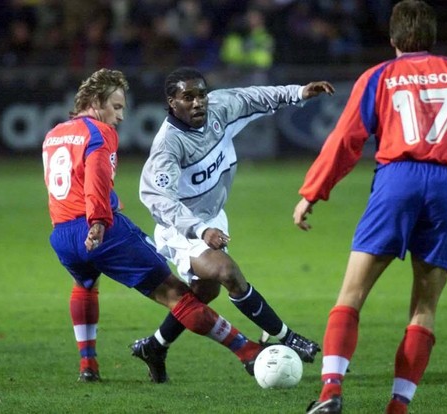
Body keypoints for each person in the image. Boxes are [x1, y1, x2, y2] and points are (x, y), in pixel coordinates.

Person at [295, 1, 447, 413]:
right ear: (433, 36)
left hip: (397, 180)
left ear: (393, 38)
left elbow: (347, 137)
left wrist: (313, 190)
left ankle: (330, 391)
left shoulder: (379, 75)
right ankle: (397, 407)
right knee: (424, 307)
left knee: (352, 294)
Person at [42, 68, 265, 382]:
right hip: (101, 230)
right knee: (177, 294)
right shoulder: (100, 132)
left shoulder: (55, 134)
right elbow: (95, 178)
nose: (120, 116)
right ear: (95, 102)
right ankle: (247, 351)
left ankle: (88, 366)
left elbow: (63, 185)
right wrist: (98, 221)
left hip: (62, 235)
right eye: (116, 107)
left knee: (85, 286)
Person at [131, 66, 335, 383]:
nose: (198, 102)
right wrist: (200, 230)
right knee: (227, 272)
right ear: (172, 102)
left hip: (212, 218)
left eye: (201, 94)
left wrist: (298, 92)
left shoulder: (219, 108)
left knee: (202, 293)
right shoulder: (168, 147)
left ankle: (155, 346)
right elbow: (161, 201)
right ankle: (288, 337)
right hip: (181, 226)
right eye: (188, 97)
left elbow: (254, 97)